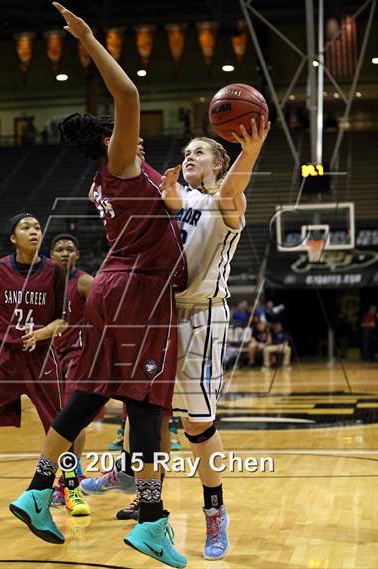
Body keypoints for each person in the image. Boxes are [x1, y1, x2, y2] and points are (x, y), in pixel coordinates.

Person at [10, 5, 187, 568]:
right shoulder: (121, 163)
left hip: (113, 290)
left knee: (90, 396)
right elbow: (129, 96)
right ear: (114, 141)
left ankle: (39, 491)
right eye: (130, 140)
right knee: (147, 407)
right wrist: (87, 39)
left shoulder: (112, 182)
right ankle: (153, 522)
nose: (140, 144)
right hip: (139, 293)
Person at [82, 118, 270, 559]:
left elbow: (227, 191)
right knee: (144, 404)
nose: (188, 157)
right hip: (159, 309)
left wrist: (251, 150)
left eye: (198, 152)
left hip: (203, 317)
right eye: (185, 152)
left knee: (196, 425)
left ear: (219, 163)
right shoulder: (175, 193)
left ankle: (214, 513)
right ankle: (135, 482)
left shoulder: (228, 198)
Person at [0, 213, 67, 525]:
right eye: (26, 227)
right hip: (3, 357)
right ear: (12, 237)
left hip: (41, 357)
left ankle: (70, 490)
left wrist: (43, 333)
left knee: (61, 427)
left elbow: (63, 320)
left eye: (37, 228)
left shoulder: (55, 271)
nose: (34, 232)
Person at [49, 234, 93, 515]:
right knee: (57, 420)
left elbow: (107, 309)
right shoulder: (43, 283)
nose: (64, 253)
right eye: (59, 249)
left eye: (70, 250)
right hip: (51, 358)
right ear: (51, 254)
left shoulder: (85, 282)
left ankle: (71, 478)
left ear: (77, 254)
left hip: (77, 357)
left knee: (71, 419)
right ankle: (71, 474)